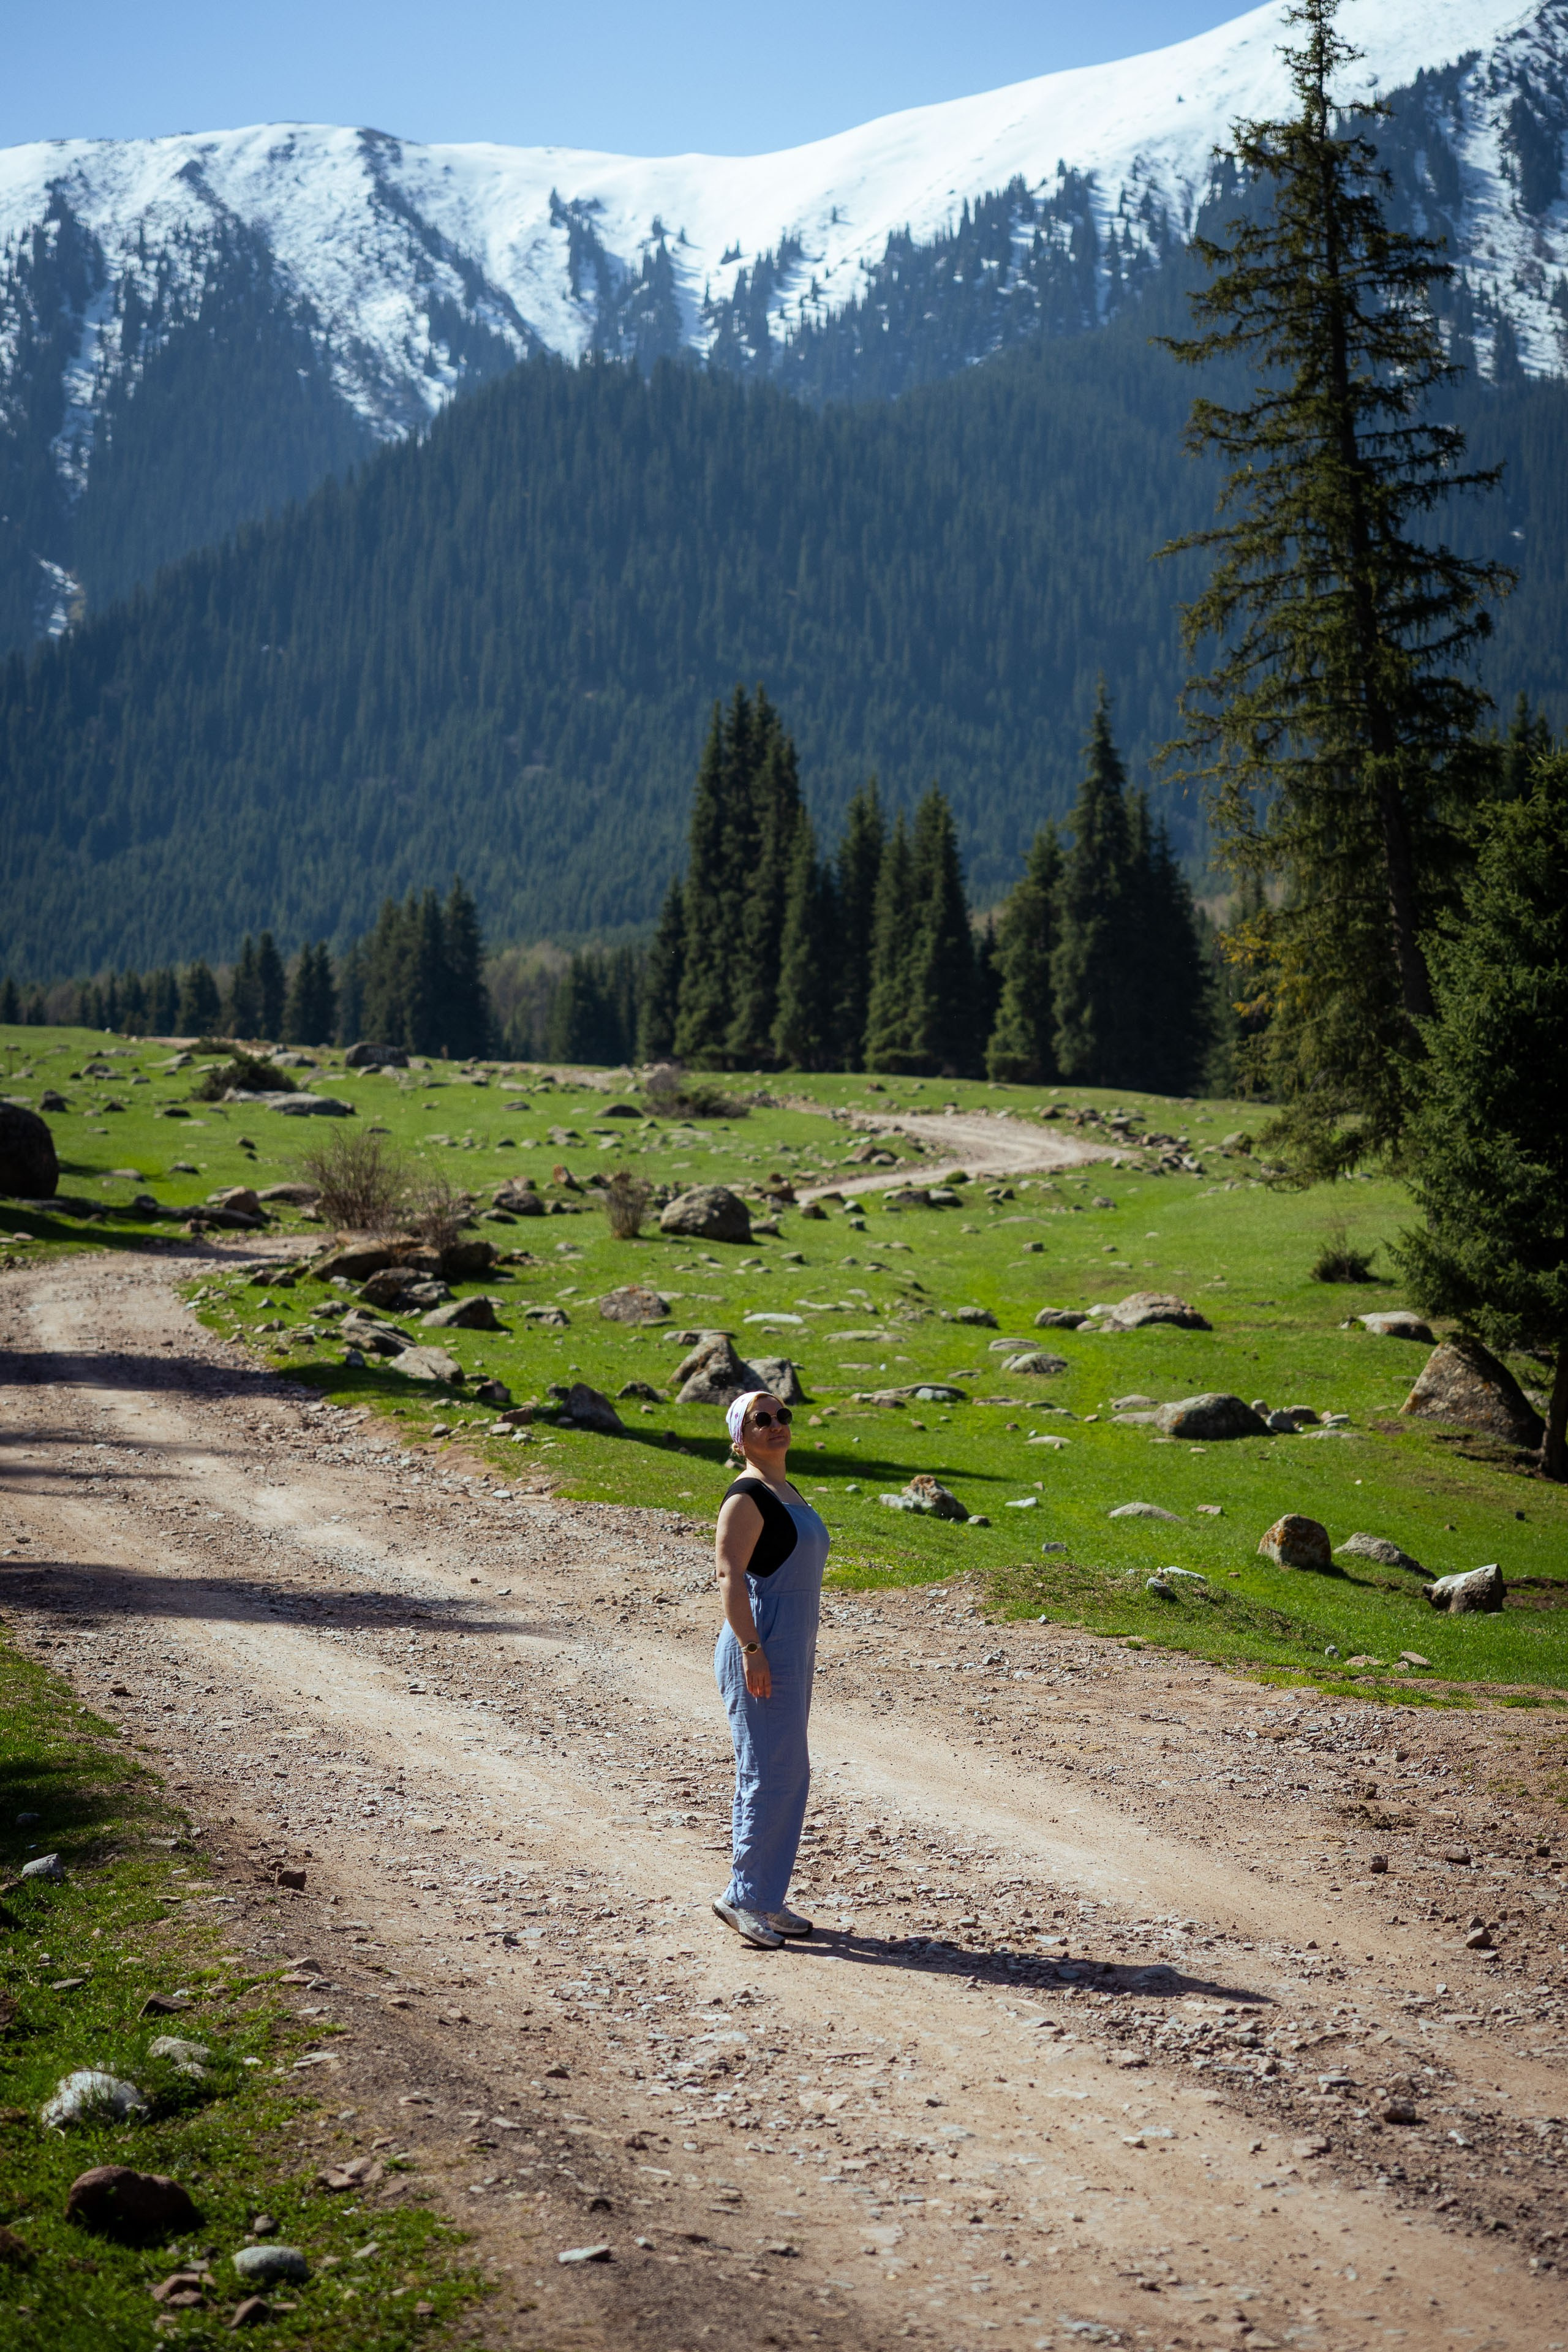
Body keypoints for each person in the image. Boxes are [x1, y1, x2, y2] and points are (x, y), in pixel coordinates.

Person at [712, 1387, 830, 1951]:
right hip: (760, 1645)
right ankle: (744, 1898)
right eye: (762, 1419)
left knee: (785, 1771)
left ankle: (763, 1895)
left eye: (783, 1414)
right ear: (740, 1439)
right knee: (768, 1770)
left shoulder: (786, 1489)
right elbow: (729, 1576)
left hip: (790, 1645)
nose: (777, 1423)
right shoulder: (746, 1496)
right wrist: (751, 1649)